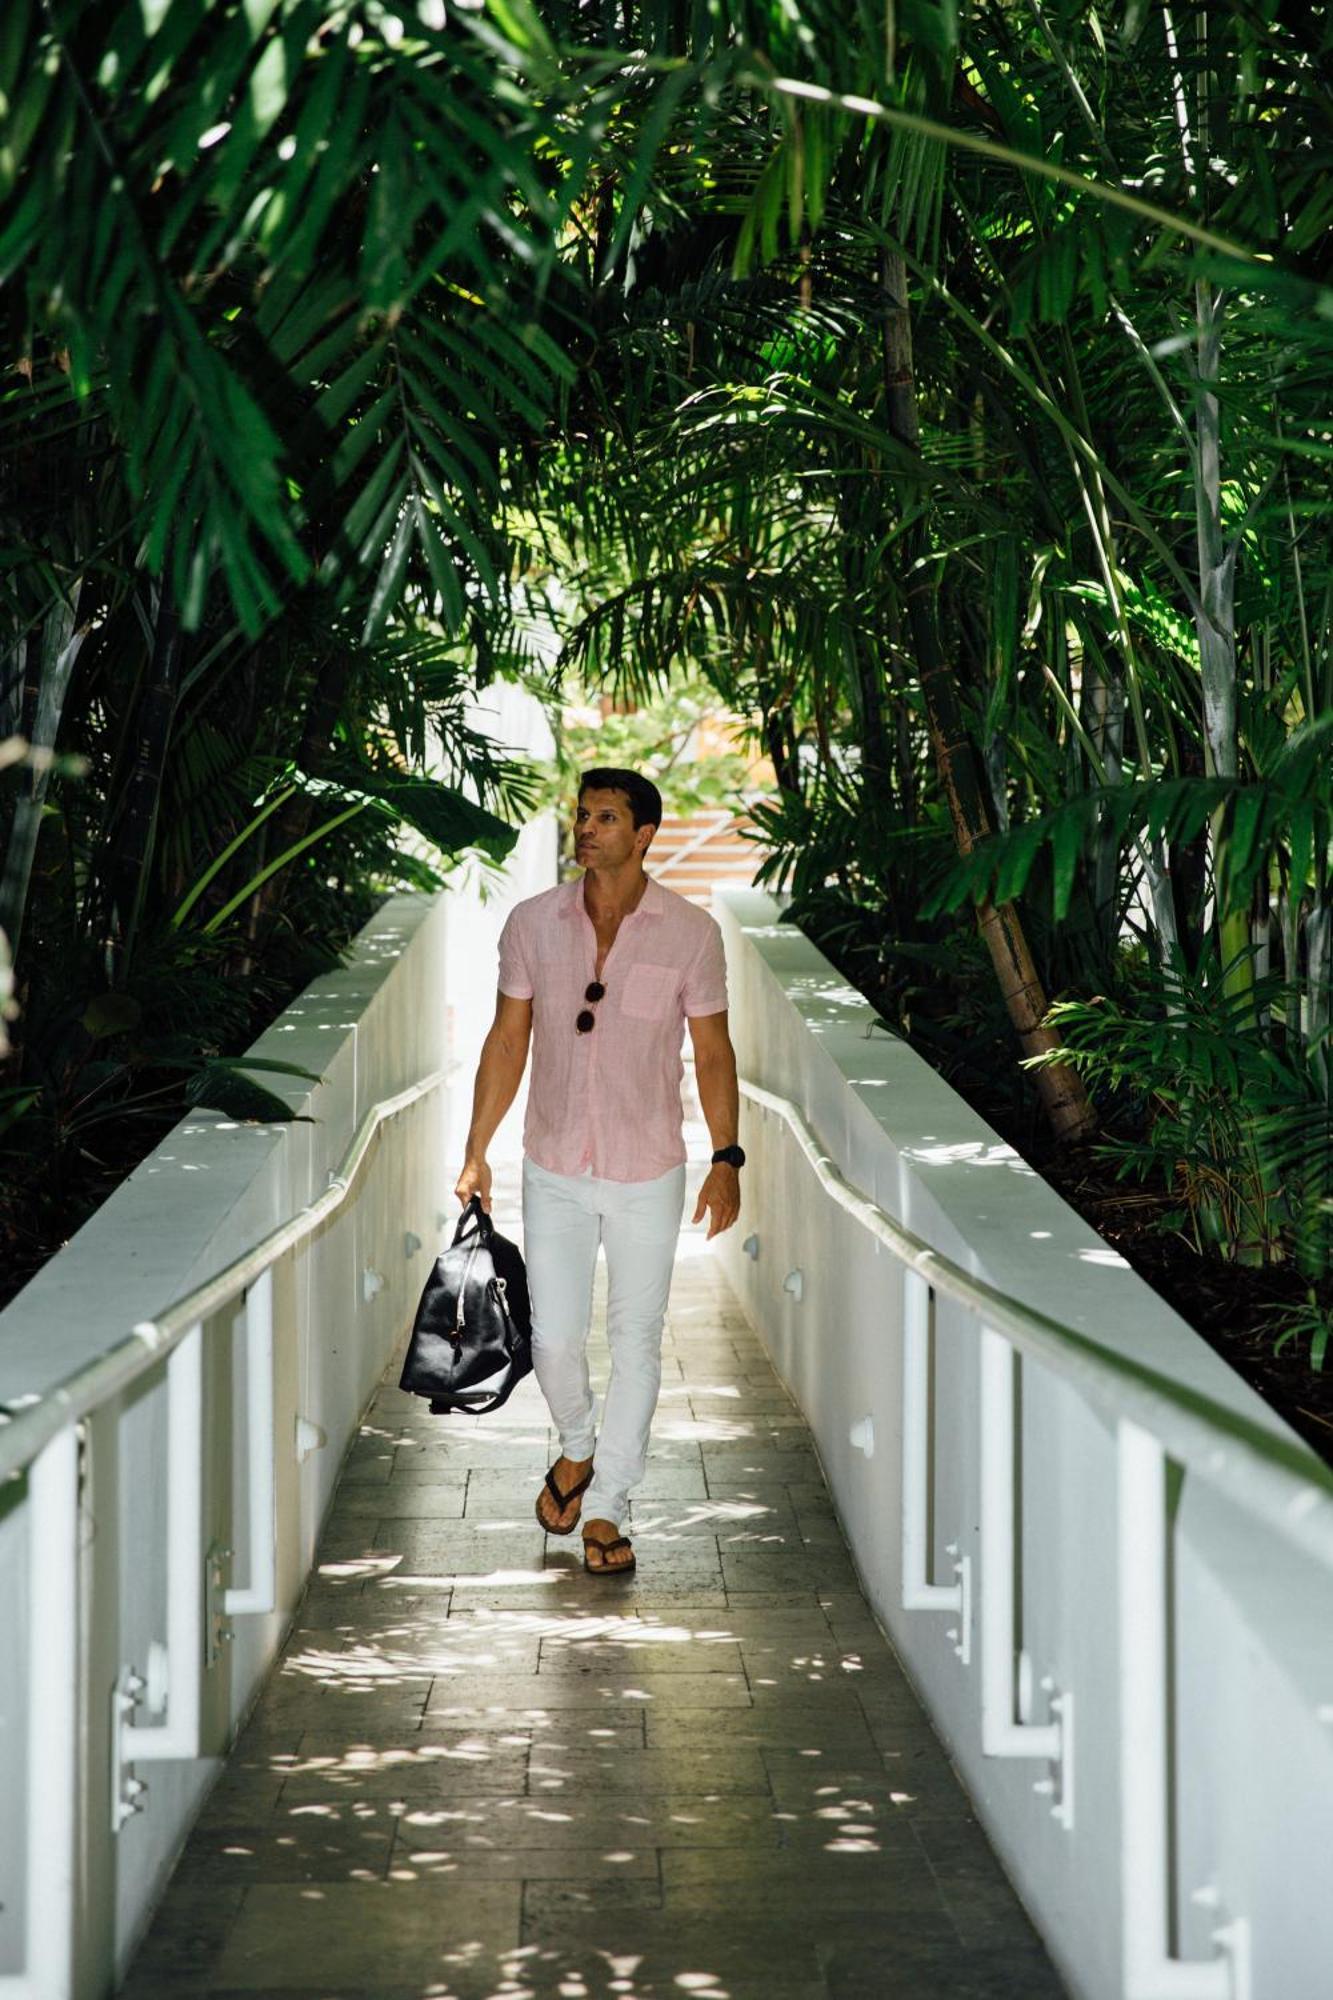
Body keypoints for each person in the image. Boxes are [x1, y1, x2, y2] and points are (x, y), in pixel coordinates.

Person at [454, 767, 745, 1576]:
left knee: (636, 1340)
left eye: (605, 817)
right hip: (552, 1163)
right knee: (551, 1335)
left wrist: (727, 1157)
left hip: (647, 1168)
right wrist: (477, 1149)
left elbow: (713, 1053)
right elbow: (506, 1041)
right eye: (581, 815)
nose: (586, 829)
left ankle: (610, 1503)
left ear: (643, 833)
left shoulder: (691, 932)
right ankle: (577, 1447)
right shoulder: (531, 924)